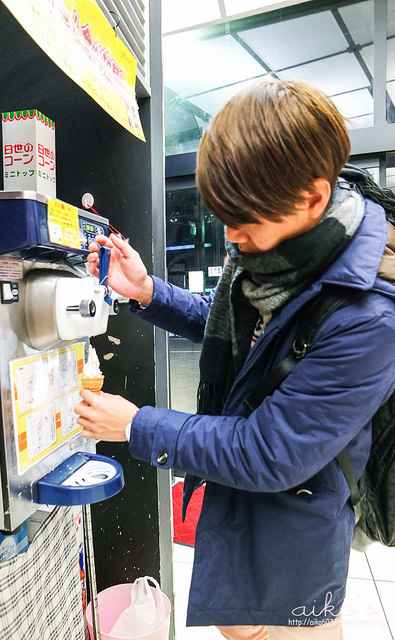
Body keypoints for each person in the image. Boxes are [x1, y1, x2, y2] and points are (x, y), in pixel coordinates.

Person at [75, 79, 395, 640]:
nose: (230, 235)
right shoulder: (276, 250)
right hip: (242, 510)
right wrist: (149, 290)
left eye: (243, 220)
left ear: (314, 198)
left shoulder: (368, 317)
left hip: (294, 536)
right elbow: (242, 337)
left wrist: (135, 424)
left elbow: (270, 449)